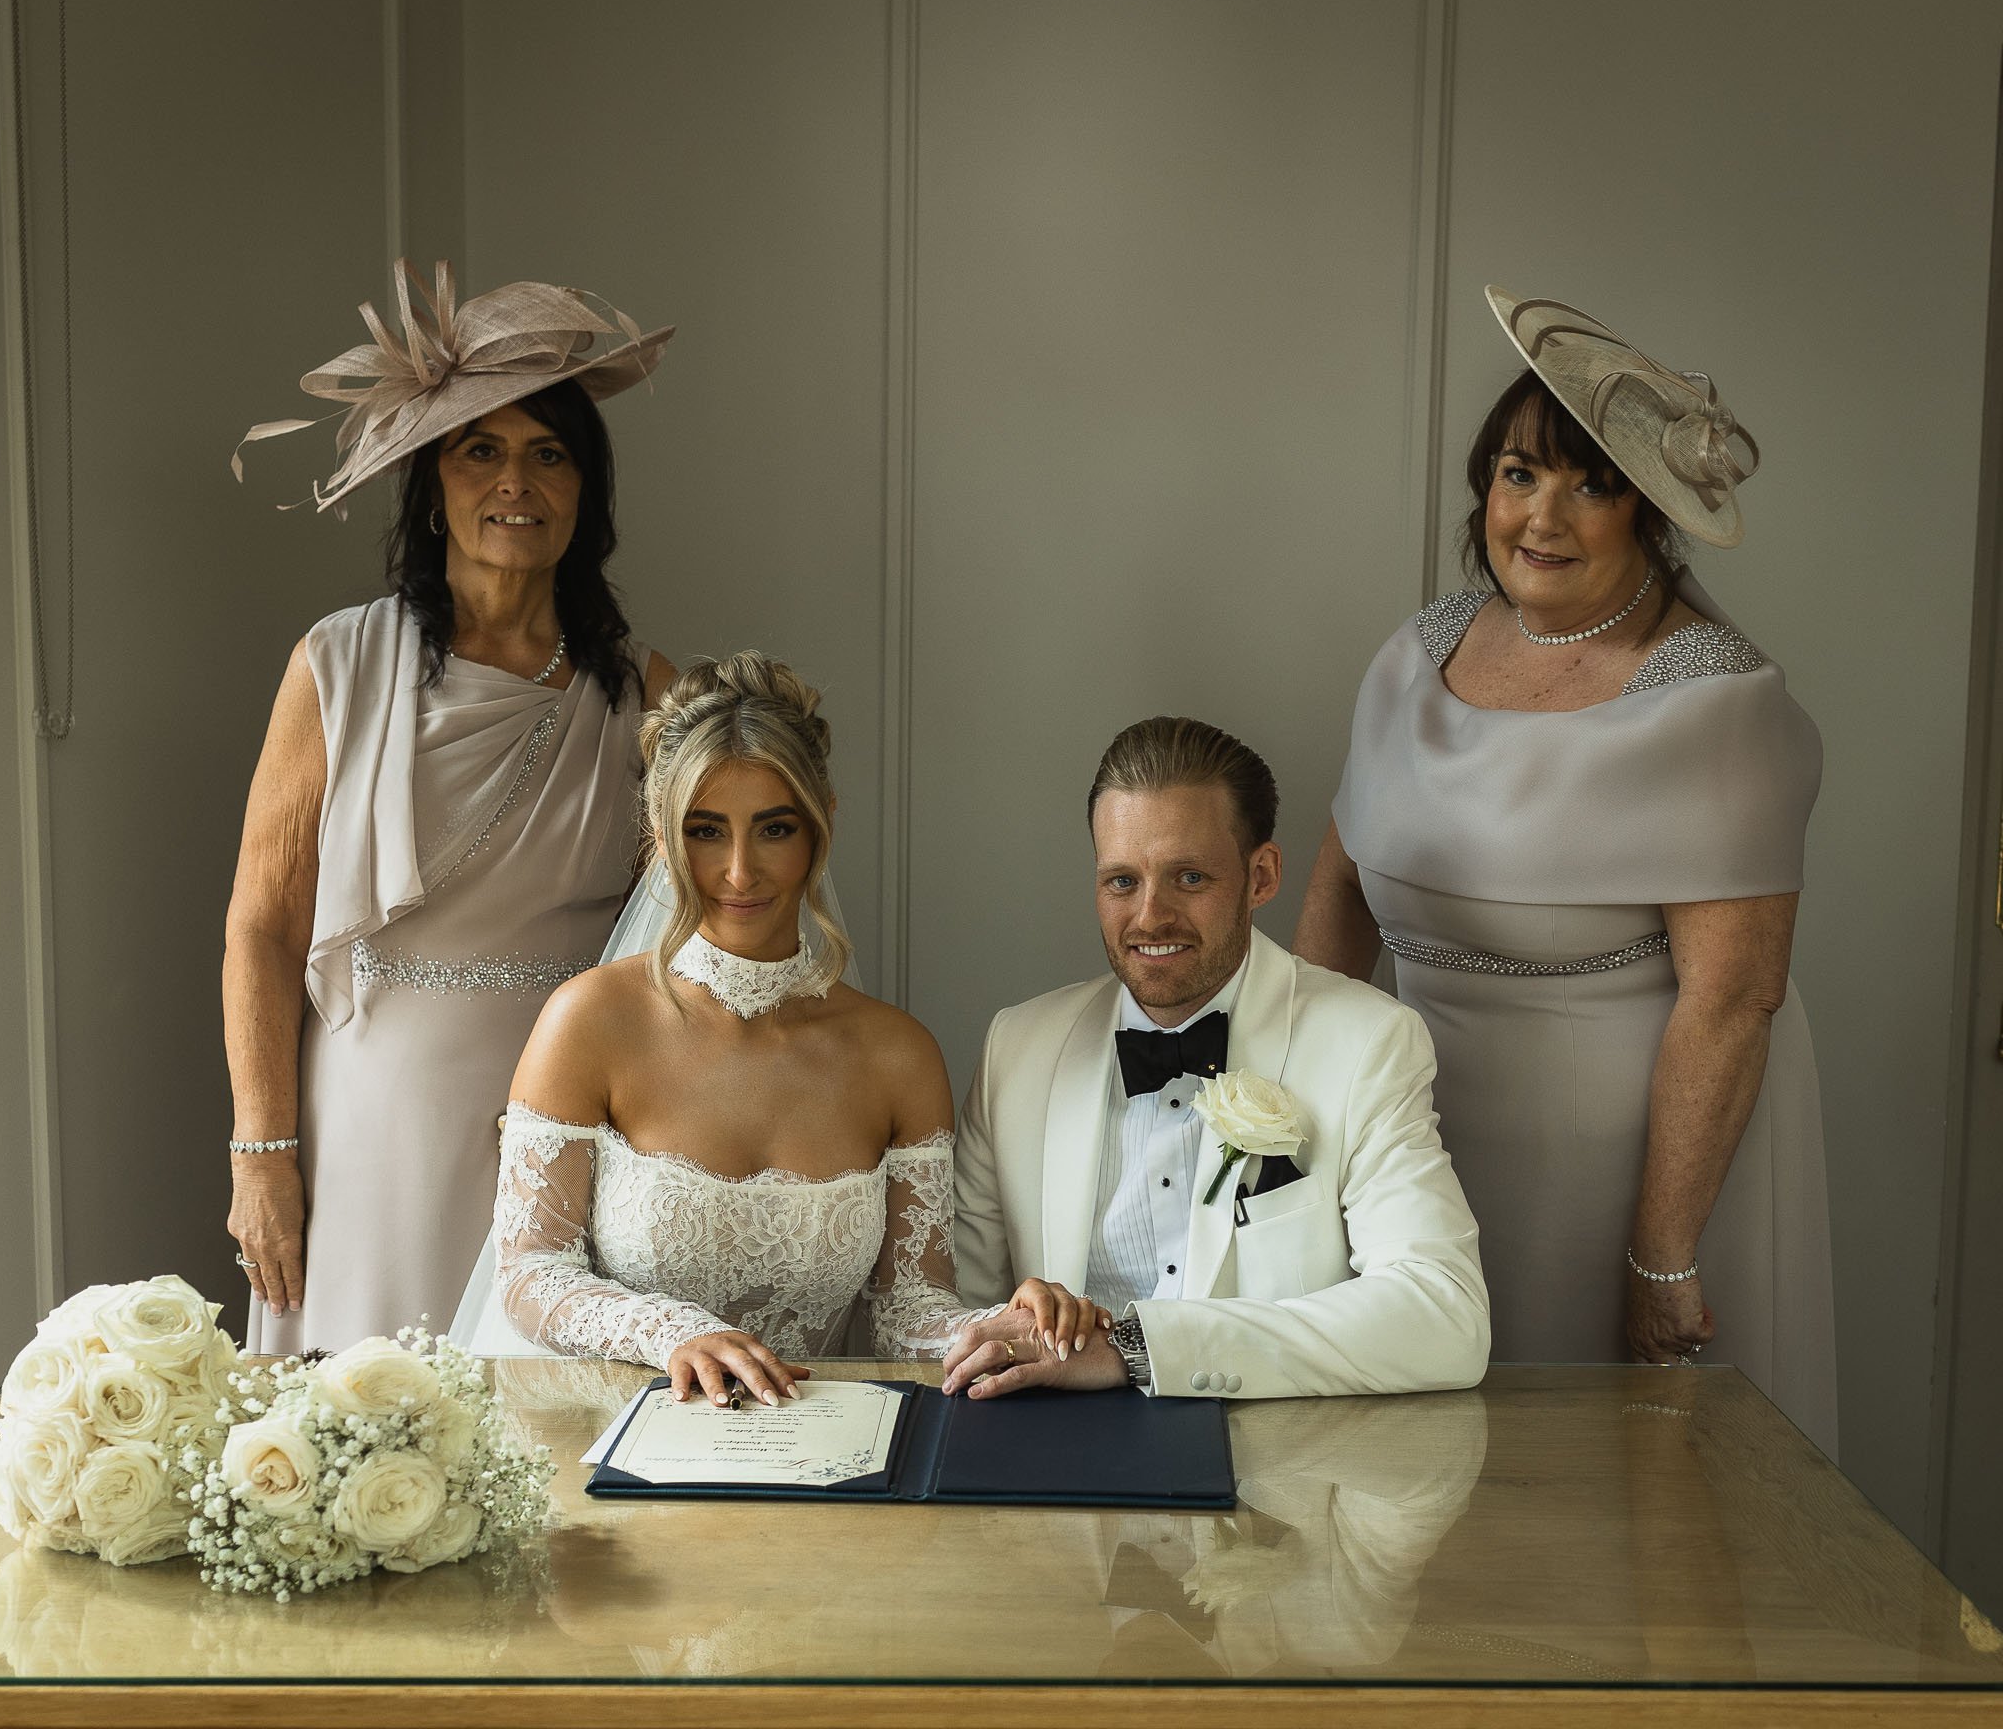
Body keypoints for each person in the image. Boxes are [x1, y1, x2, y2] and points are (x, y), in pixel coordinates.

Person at [1292, 287, 1835, 1452]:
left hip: (1625, 1181)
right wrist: (1294, 1117)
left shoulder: (1717, 701)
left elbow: (1735, 995)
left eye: (1592, 483)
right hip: (1417, 1145)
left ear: (1651, 511)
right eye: (1517, 474)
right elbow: (1339, 895)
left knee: (1607, 1506)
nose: (1542, 515)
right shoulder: (1416, 652)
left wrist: (1660, 1251)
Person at [222, 261, 679, 1353]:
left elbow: (692, 945)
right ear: (432, 483)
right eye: (481, 449)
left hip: (571, 1126)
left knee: (550, 1460)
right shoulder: (337, 663)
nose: (514, 481)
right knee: (363, 1453)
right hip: (371, 1129)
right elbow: (263, 925)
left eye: (548, 452)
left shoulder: (649, 696)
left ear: (584, 492)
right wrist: (261, 1154)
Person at [459, 652, 1099, 1406]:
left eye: (773, 828)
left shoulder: (898, 1055)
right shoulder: (588, 1021)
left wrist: (1011, 1326)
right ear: (662, 838)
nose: (739, 871)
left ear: (821, 821)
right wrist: (671, 1335)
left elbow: (907, 1315)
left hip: (810, 1445)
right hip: (606, 1427)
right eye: (705, 830)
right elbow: (531, 1273)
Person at [942, 715, 1490, 1400]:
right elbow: (946, 1306)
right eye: (1121, 882)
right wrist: (1008, 1324)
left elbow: (1444, 1317)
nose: (1149, 917)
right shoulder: (1018, 1049)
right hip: (1052, 1468)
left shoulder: (1368, 1043)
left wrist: (1136, 1349)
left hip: (1278, 1479)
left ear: (1261, 877)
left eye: (1189, 877)